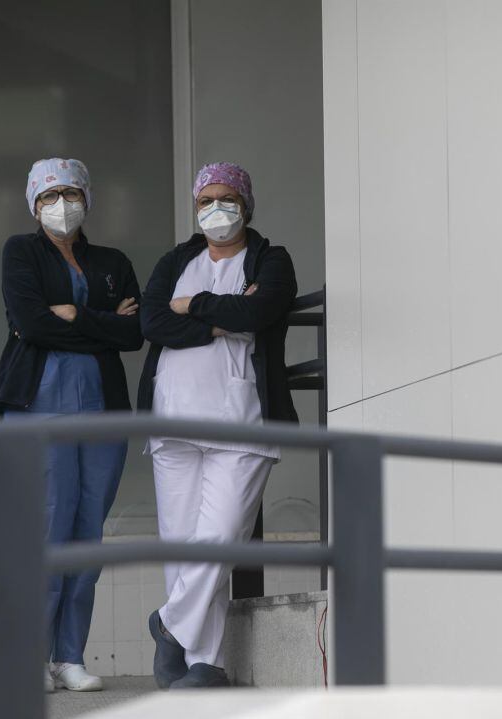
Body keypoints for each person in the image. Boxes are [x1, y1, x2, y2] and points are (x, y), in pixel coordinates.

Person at [138, 162, 298, 689]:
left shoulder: (270, 260)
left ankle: (168, 623)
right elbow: (152, 321)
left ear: (246, 204)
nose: (216, 209)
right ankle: (203, 664)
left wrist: (192, 308)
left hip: (242, 421)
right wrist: (219, 318)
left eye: (226, 198)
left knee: (221, 535)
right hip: (173, 416)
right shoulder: (177, 259)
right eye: (205, 200)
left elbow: (263, 312)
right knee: (183, 543)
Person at [0, 158, 143, 692]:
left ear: (87, 197)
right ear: (34, 204)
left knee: (87, 534)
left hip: (102, 407)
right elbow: (29, 322)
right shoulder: (21, 252)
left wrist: (76, 316)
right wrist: (102, 324)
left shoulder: (111, 260)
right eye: (50, 195)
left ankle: (69, 656)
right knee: (46, 529)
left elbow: (134, 334)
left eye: (71, 192)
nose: (62, 204)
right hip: (37, 405)